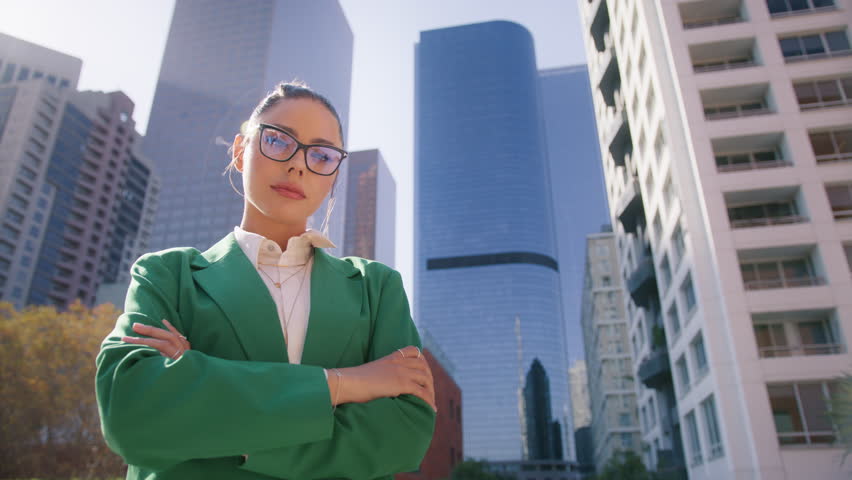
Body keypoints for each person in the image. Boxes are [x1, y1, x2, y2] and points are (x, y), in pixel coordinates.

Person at [95, 82, 437, 480]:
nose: (297, 165)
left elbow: (403, 436)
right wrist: (347, 384)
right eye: (278, 141)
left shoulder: (376, 288)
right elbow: (132, 413)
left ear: (333, 178)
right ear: (241, 151)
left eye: (321, 155)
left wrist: (203, 399)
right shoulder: (167, 276)